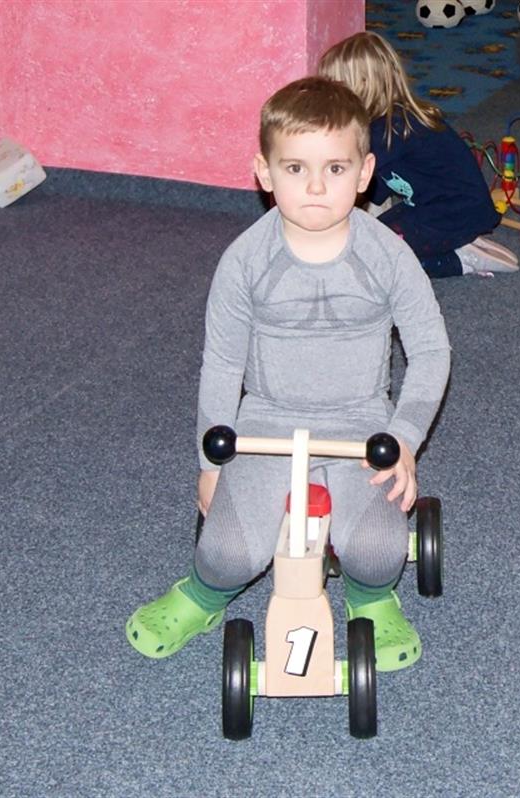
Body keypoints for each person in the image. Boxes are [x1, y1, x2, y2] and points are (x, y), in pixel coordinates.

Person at [125, 76, 451, 672]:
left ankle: (372, 600)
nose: (316, 186)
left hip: (361, 426)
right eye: (296, 168)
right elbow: (223, 364)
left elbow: (430, 350)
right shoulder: (245, 260)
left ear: (365, 172)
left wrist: (403, 436)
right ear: (264, 173)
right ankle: (202, 597)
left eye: (335, 168)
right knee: (224, 554)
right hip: (266, 425)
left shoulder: (389, 256)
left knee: (377, 553)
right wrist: (210, 463)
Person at [318, 31, 518, 278]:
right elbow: (372, 190)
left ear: (362, 85)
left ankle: (460, 260)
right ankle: (454, 241)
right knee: (367, 239)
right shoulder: (391, 121)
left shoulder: (389, 130)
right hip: (439, 209)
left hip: (457, 214)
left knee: (376, 257)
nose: (327, 97)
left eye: (334, 87)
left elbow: (348, 182)